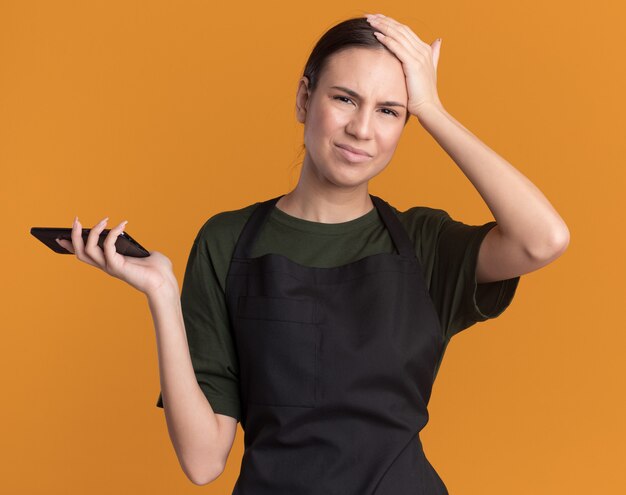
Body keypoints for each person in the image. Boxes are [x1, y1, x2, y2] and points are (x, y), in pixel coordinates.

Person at [56, 13, 570, 494]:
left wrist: (432, 109)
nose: (362, 129)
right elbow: (203, 460)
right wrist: (163, 295)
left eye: (389, 110)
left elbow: (543, 238)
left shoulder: (425, 244)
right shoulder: (227, 241)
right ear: (305, 98)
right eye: (345, 99)